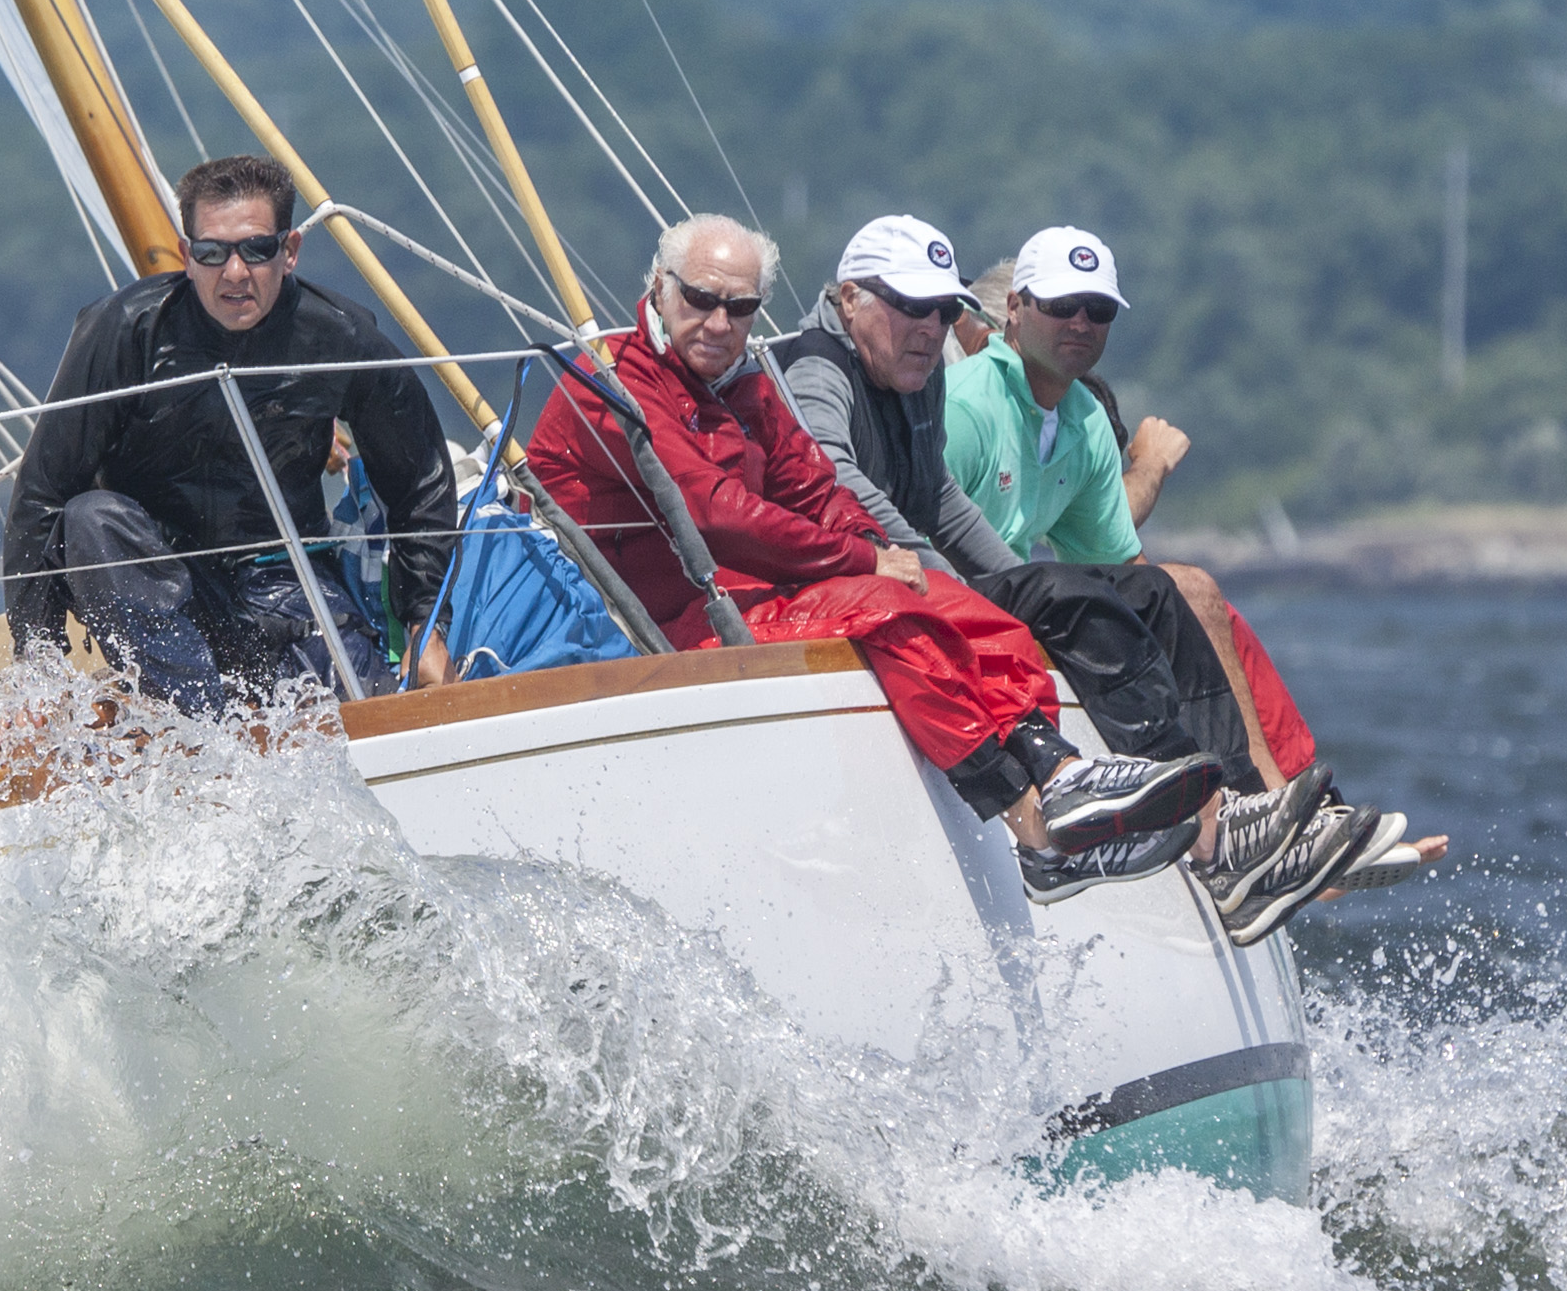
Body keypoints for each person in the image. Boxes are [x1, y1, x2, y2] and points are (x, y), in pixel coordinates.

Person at [519, 213, 1282, 890]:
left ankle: (1062, 768)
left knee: (960, 601)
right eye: (701, 300)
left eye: (741, 307)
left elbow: (815, 488)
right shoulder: (609, 381)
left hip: (749, 597)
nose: (720, 322)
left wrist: (876, 549)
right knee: (891, 608)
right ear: (659, 287)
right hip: (660, 623)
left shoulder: (746, 386)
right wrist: (862, 562)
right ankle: (1035, 827)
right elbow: (716, 514)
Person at [944, 226, 1429, 934]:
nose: (1080, 323)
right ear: (1014, 310)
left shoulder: (1077, 417)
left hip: (1014, 591)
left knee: (1172, 592)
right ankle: (1223, 828)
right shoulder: (966, 405)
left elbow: (1128, 572)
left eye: (1097, 310)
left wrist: (1163, 624)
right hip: (945, 592)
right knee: (1081, 598)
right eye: (1060, 306)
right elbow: (905, 528)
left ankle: (1247, 828)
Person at [775, 214, 1260, 800]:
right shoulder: (820, 366)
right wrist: (944, 577)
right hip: (859, 587)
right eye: (911, 304)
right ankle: (1190, 805)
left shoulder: (919, 373)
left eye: (944, 311)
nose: (931, 328)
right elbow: (835, 473)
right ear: (850, 298)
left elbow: (939, 496)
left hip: (923, 579)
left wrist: (1010, 577)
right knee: (1066, 594)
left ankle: (1240, 796)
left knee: (1155, 591)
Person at [4, 155, 459, 709]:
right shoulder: (124, 331)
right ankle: (197, 725)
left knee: (369, 711)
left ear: (289, 251)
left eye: (257, 249)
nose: (235, 272)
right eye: (212, 252)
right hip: (165, 590)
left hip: (287, 585)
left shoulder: (338, 338)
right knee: (90, 517)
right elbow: (41, 497)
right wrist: (39, 672)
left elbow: (421, 481)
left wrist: (424, 622)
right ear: (185, 255)